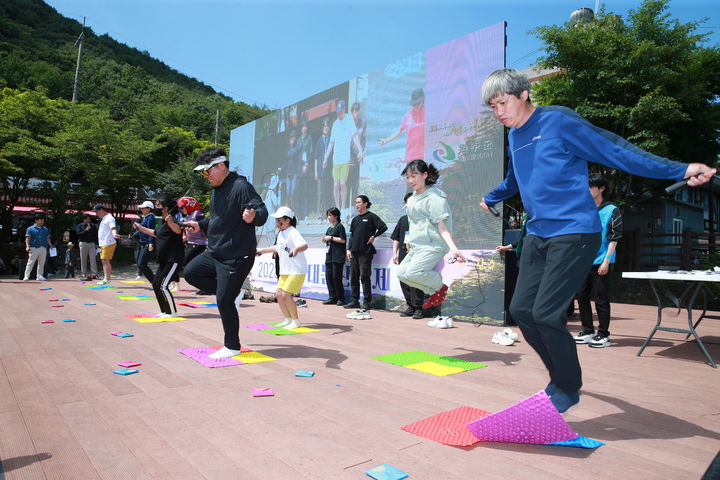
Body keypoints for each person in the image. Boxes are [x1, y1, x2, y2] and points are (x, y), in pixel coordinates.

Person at [479, 68, 715, 413]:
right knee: (521, 312)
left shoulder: (557, 122)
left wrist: (678, 169)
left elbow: (616, 150)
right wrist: (493, 195)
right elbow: (516, 178)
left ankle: (566, 386)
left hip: (574, 232)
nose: (499, 112)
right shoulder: (515, 136)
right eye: (492, 107)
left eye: (503, 102)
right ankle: (559, 377)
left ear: (524, 94)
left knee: (546, 314)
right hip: (539, 234)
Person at [183, 147, 268, 359]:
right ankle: (234, 293)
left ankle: (232, 346)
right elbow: (218, 219)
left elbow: (262, 212)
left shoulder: (241, 187)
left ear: (220, 165)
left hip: (237, 256)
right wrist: (199, 224)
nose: (206, 177)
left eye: (207, 172)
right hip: (216, 251)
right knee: (192, 272)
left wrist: (253, 217)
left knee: (223, 300)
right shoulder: (216, 191)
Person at [397, 160, 466, 329]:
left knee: (414, 271)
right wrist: (410, 242)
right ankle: (435, 290)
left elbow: (442, 227)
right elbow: (414, 224)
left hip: (434, 244)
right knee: (402, 273)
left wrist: (453, 249)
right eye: (408, 177)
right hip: (417, 245)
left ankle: (439, 287)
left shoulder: (435, 198)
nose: (411, 180)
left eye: (414, 176)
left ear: (425, 175)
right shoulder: (413, 198)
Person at [573, 174, 623, 348]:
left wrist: (606, 261)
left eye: (590, 186)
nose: (587, 190)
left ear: (601, 188)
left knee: (601, 298)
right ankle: (588, 331)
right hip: (583, 261)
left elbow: (614, 237)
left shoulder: (612, 209)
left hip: (602, 260)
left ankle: (603, 335)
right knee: (581, 296)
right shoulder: (583, 209)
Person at [256, 207, 308, 329]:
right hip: (285, 270)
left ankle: (295, 321)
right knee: (279, 294)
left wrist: (296, 249)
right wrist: (261, 251)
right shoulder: (280, 233)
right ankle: (287, 319)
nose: (277, 222)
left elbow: (304, 245)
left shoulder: (293, 232)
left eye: (279, 219)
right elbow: (277, 247)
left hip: (297, 270)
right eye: (276, 219)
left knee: (286, 295)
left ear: (287, 220)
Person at [133, 195, 184, 317]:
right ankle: (164, 311)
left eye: (157, 205)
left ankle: (172, 312)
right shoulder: (161, 222)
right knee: (156, 284)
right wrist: (140, 228)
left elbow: (178, 230)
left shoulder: (172, 220)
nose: (156, 207)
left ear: (166, 208)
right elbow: (155, 233)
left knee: (163, 285)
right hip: (164, 258)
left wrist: (170, 221)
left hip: (173, 258)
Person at [345, 195, 387, 310]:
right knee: (353, 277)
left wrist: (374, 236)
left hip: (366, 252)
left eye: (359, 202)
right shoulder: (355, 219)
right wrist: (349, 249)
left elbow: (383, 227)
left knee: (364, 276)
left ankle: (367, 302)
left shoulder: (371, 217)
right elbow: (352, 236)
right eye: (356, 202)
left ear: (365, 204)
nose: (357, 205)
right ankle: (355, 301)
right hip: (354, 252)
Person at [325, 100, 364, 220]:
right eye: (338, 112)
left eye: (341, 111)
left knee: (342, 183)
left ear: (344, 110)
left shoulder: (348, 120)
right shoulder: (335, 124)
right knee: (336, 185)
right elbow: (331, 143)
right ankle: (337, 207)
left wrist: (360, 150)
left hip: (345, 159)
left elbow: (355, 136)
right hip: (335, 160)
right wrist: (326, 158)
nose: (339, 114)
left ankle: (342, 207)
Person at [391, 192, 425, 320]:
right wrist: (394, 253)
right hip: (403, 255)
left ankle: (418, 308)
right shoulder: (403, 219)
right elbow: (395, 238)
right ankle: (410, 306)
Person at [379, 88, 425, 163]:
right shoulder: (408, 115)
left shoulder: (428, 113)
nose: (416, 106)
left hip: (425, 157)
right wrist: (386, 140)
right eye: (414, 104)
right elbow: (399, 131)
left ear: (422, 101)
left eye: (418, 103)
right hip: (411, 157)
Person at [321, 207, 347, 306]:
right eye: (328, 215)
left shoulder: (340, 227)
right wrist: (325, 239)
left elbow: (342, 240)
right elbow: (328, 239)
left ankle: (340, 298)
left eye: (330, 215)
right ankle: (332, 297)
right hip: (329, 256)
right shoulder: (329, 228)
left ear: (336, 216)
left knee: (337, 277)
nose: (329, 217)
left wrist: (331, 238)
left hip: (337, 256)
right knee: (329, 277)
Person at [92, 204, 119, 285]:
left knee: (105, 260)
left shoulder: (110, 218)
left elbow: (113, 228)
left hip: (108, 242)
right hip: (104, 243)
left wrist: (114, 234)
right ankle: (107, 278)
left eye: (96, 212)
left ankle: (106, 279)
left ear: (101, 210)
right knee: (104, 261)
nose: (96, 214)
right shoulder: (104, 218)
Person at [177, 196, 207, 268]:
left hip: (198, 244)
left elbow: (205, 227)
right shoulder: (189, 215)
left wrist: (207, 243)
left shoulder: (197, 213)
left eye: (182, 207)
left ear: (188, 204)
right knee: (184, 262)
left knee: (185, 262)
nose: (181, 210)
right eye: (180, 209)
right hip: (190, 243)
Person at [348, 102, 366, 212]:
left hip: (358, 159)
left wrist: (362, 152)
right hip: (349, 159)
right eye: (355, 111)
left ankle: (355, 211)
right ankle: (347, 211)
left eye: (358, 111)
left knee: (356, 186)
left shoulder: (362, 124)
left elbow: (363, 140)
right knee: (348, 186)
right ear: (352, 113)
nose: (357, 113)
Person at [23, 213, 51, 281]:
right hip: (33, 247)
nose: (42, 221)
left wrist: (50, 245)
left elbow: (48, 238)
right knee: (30, 262)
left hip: (43, 247)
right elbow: (27, 238)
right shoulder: (30, 229)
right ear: (36, 220)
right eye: (41, 220)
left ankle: (39, 276)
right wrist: (27, 246)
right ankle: (26, 276)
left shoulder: (45, 229)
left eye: (43, 220)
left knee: (42, 262)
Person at [135, 200, 156, 283]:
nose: (142, 210)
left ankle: (154, 281)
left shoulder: (151, 218)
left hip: (147, 243)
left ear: (149, 209)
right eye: (141, 208)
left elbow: (151, 231)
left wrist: (151, 243)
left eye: (143, 208)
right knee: (140, 264)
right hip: (143, 243)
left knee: (142, 264)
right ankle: (154, 281)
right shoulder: (146, 217)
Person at [315, 119, 332, 220]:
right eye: (324, 126)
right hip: (320, 171)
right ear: (322, 128)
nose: (326, 128)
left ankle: (328, 213)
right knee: (320, 193)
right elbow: (316, 157)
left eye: (327, 126)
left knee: (328, 192)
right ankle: (320, 213)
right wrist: (316, 171)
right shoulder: (319, 140)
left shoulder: (331, 139)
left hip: (329, 171)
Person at [76, 214, 99, 281]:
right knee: (83, 259)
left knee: (93, 259)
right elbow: (78, 234)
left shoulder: (93, 226)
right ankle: (84, 274)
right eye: (87, 219)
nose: (88, 220)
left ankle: (94, 274)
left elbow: (95, 235)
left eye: (89, 219)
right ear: (84, 219)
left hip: (92, 244)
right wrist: (86, 230)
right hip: (83, 243)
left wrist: (96, 243)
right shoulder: (80, 225)